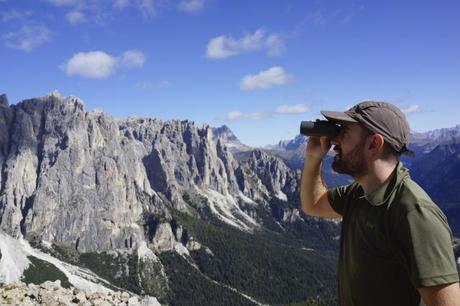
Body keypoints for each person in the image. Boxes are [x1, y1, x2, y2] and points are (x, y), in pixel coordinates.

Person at [300, 101, 460, 306]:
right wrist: (313, 158)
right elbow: (313, 205)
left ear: (374, 144)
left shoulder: (414, 212)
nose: (335, 139)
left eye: (345, 131)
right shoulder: (357, 193)